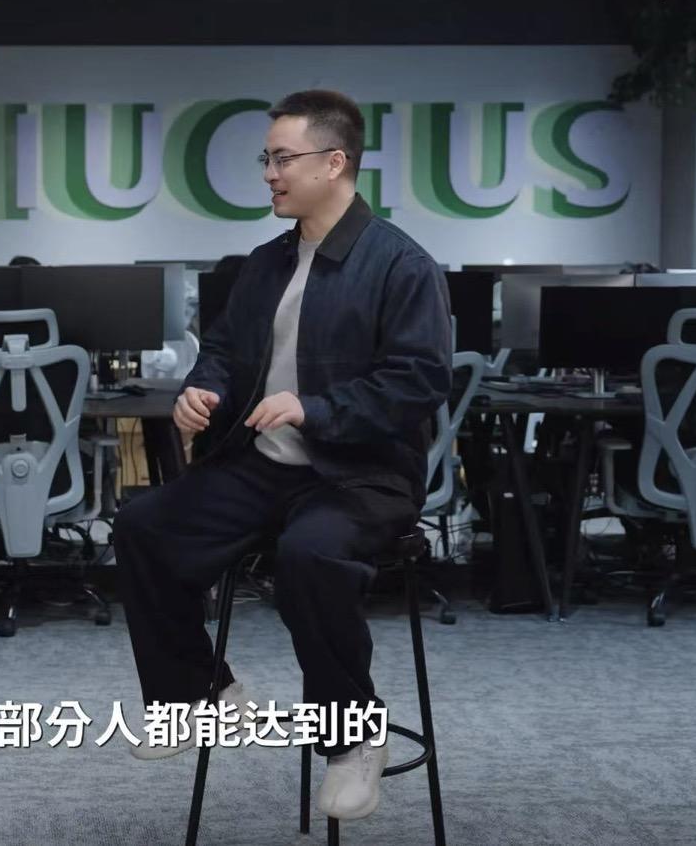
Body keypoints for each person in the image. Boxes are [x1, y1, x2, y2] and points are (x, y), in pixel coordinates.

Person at [113, 90, 451, 823]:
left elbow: (418, 382)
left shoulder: (401, 265)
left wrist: (314, 407)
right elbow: (223, 350)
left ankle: (354, 739)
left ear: (334, 163)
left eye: (282, 159)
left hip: (360, 475)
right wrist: (202, 388)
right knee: (143, 527)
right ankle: (202, 694)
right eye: (266, 159)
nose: (269, 174)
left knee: (310, 555)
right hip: (264, 464)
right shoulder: (265, 263)